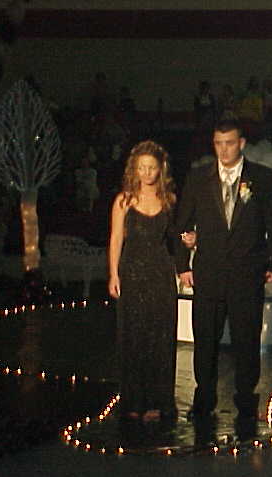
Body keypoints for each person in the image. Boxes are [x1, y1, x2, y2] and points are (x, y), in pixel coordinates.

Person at [175, 119, 272, 430]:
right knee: (205, 339)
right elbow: (182, 222)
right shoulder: (199, 177)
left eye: (229, 143)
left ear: (241, 143)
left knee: (246, 341)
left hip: (247, 272)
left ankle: (246, 401)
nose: (223, 150)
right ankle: (204, 399)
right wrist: (183, 264)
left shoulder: (262, 177)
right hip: (208, 273)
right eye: (218, 144)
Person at [107, 140, 179, 423]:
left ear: (161, 169)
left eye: (151, 168)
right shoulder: (124, 200)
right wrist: (113, 274)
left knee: (160, 336)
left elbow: (176, 238)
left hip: (161, 272)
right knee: (134, 335)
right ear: (134, 170)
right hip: (132, 272)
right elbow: (116, 239)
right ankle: (133, 400)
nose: (147, 173)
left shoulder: (169, 200)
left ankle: (158, 402)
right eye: (141, 168)